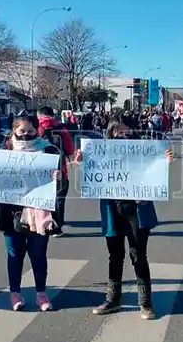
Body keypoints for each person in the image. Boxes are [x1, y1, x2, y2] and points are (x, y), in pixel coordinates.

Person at [74, 117, 173, 320]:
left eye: (127, 131)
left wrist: (165, 160)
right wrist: (81, 161)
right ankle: (113, 299)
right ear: (110, 134)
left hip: (137, 210)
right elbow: (89, 169)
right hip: (113, 209)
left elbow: (156, 170)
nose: (123, 136)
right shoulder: (101, 153)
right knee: (115, 254)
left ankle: (145, 303)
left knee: (138, 254)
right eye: (118, 132)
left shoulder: (143, 151)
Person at [0, 115, 61, 311]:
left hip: (39, 210)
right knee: (14, 254)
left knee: (38, 254)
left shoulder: (48, 150)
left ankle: (41, 293)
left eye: (31, 131)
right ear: (14, 130)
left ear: (37, 130)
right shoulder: (5, 150)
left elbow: (61, 182)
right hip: (10, 210)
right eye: (22, 131)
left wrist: (58, 177)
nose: (26, 135)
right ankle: (15, 294)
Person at [37, 107, 74, 237]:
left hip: (39, 169)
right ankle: (58, 225)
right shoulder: (62, 129)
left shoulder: (36, 129)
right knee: (59, 197)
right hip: (59, 168)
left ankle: (41, 223)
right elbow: (70, 150)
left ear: (40, 116)